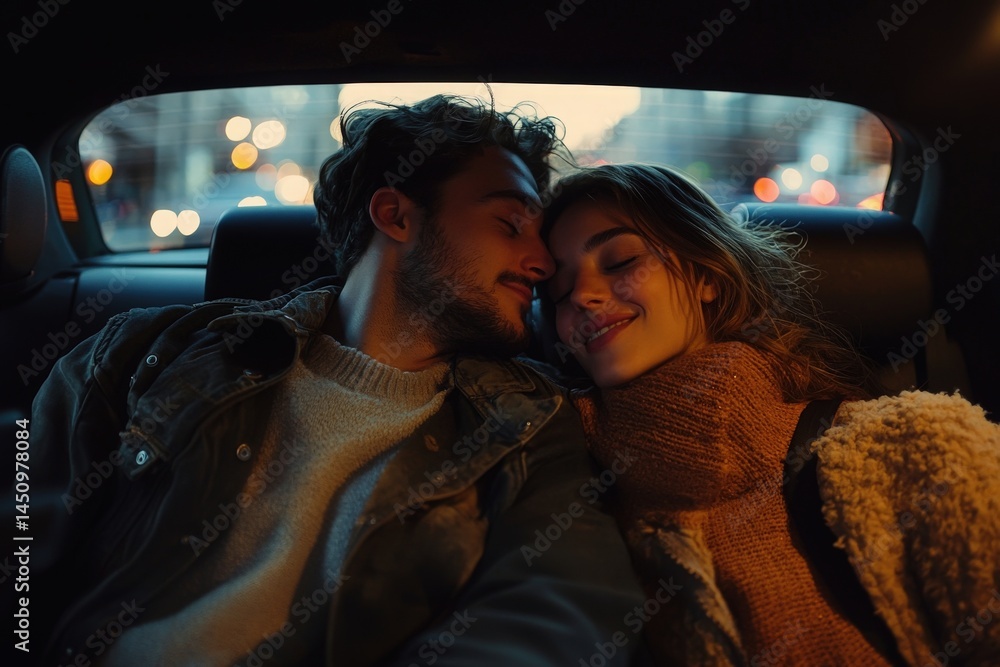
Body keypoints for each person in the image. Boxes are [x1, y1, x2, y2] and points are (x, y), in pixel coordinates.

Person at [20, 94, 648, 667]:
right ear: (395, 215)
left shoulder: (532, 425)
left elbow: (561, 614)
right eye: (510, 225)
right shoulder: (146, 351)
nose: (541, 264)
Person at [538, 162, 1000, 666]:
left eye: (621, 260)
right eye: (559, 293)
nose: (582, 296)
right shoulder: (553, 493)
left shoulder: (916, 444)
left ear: (706, 275)